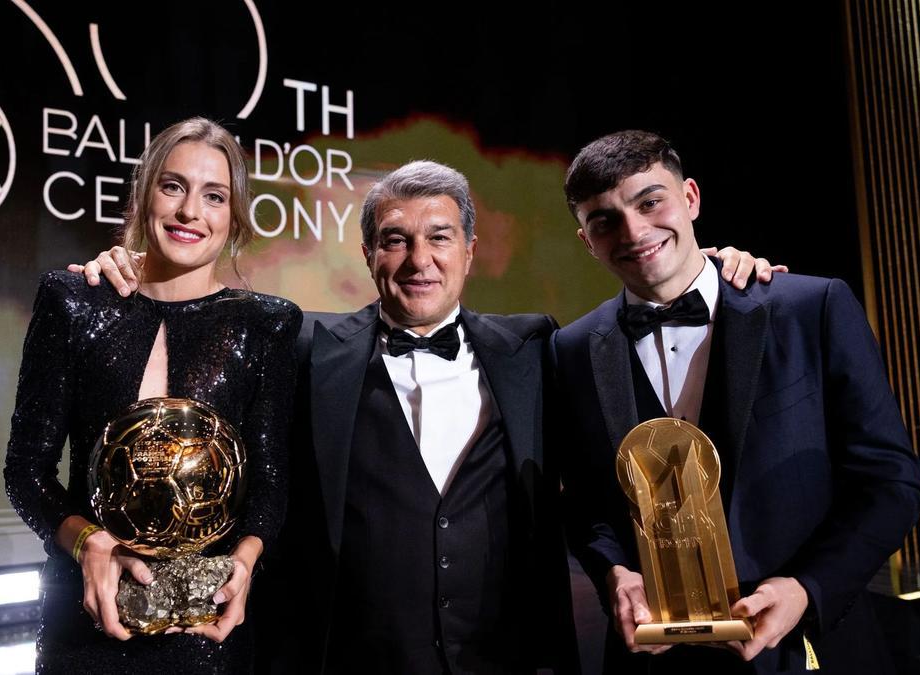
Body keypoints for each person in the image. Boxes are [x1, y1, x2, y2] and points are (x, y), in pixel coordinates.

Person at [74, 159, 778, 674]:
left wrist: (714, 267)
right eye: (395, 239)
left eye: (440, 237)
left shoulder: (536, 344)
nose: (419, 260)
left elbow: (639, 340)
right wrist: (133, 268)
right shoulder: (306, 344)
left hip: (508, 661)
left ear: (469, 252)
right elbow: (199, 314)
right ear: (368, 253)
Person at [551, 130, 920, 674]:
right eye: (605, 220)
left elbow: (892, 482)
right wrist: (614, 572)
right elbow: (585, 503)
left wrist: (805, 589)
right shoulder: (572, 349)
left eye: (650, 201)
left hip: (806, 650)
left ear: (691, 198)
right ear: (587, 240)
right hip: (652, 660)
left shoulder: (810, 307)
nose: (634, 231)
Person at [4, 117, 301, 674]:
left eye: (214, 196)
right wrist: (89, 542)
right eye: (173, 187)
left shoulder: (265, 325)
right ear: (144, 195)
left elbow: (270, 484)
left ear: (234, 215)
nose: (191, 212)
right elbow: (26, 472)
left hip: (205, 630)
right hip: (85, 617)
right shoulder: (75, 301)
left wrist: (245, 561)